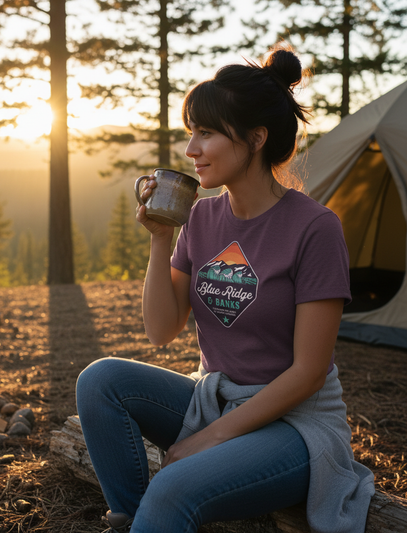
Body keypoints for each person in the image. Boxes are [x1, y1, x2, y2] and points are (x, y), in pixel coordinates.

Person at [76, 44, 375, 533]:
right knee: (100, 380)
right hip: (214, 399)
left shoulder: (314, 228)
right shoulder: (202, 216)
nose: (191, 149)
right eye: (191, 132)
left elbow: (309, 372)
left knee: (173, 487)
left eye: (207, 133)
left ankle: (161, 510)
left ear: (256, 139)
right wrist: (160, 238)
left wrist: (209, 439)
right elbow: (161, 330)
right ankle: (133, 518)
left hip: (295, 425)